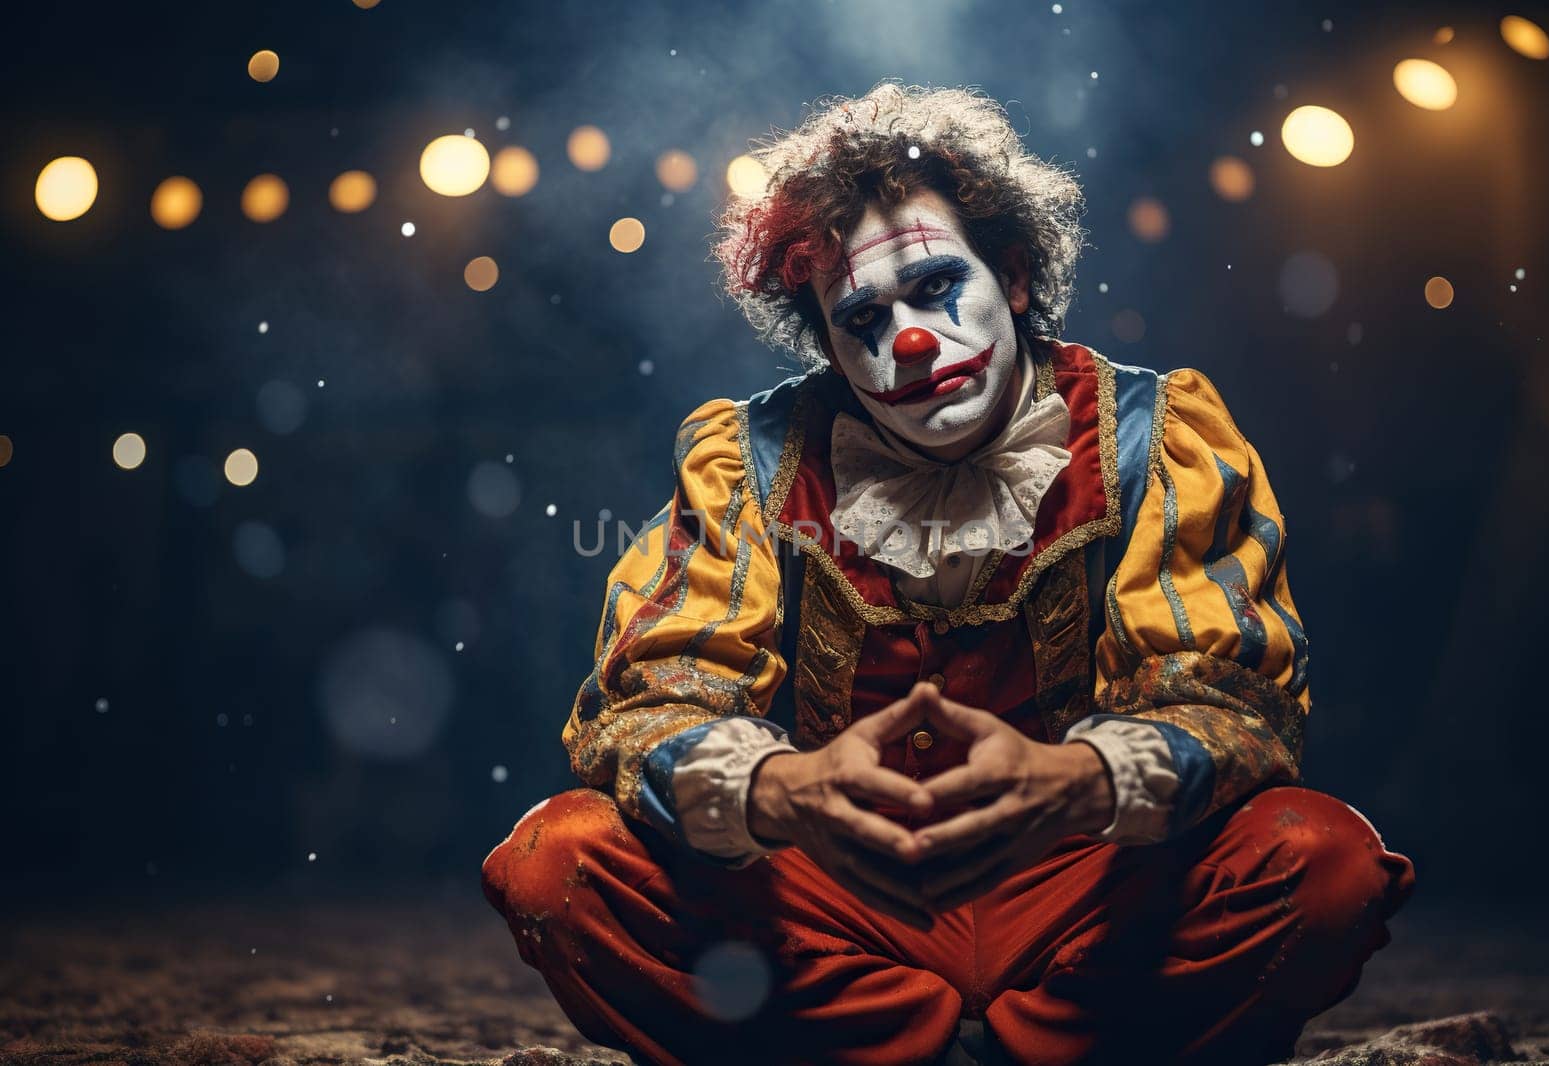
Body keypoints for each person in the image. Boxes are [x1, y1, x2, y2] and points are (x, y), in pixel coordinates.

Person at [481, 81, 1414, 1066]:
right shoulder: (747, 461)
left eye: (933, 287)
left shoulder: (1154, 437)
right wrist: (786, 790)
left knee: (1324, 864)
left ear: (1011, 273)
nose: (909, 343)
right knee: (558, 862)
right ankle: (905, 1038)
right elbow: (651, 706)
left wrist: (1076, 777)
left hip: (1084, 892)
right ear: (832, 346)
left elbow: (1232, 702)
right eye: (863, 320)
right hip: (839, 901)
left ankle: (1024, 1045)